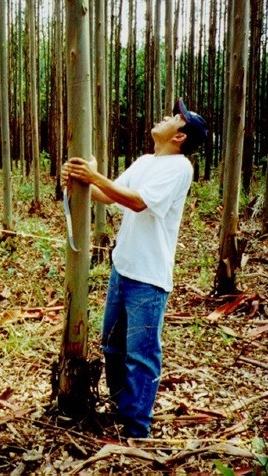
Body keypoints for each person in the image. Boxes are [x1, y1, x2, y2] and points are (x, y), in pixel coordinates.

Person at [61, 98, 208, 438]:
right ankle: (120, 408)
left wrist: (94, 174)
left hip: (149, 277)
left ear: (180, 137)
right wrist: (79, 180)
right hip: (122, 268)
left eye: (175, 118)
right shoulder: (145, 161)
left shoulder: (179, 168)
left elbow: (138, 202)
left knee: (141, 355)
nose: (166, 117)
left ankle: (137, 429)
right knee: (112, 347)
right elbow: (110, 195)